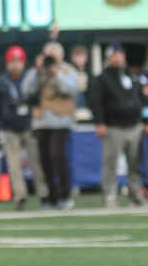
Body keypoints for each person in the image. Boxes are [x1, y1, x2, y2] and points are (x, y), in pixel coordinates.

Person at [89, 43, 148, 208]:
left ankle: (135, 193)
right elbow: (96, 102)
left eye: (120, 54)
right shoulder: (102, 78)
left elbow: (142, 101)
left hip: (134, 125)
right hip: (113, 126)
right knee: (110, 163)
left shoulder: (133, 76)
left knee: (135, 163)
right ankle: (110, 194)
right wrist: (100, 122)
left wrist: (145, 121)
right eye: (114, 55)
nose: (118, 57)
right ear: (108, 57)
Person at [22, 42, 80, 210]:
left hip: (61, 120)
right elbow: (26, 90)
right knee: (44, 160)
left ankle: (64, 194)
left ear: (60, 57)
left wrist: (55, 73)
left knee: (57, 156)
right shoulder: (38, 72)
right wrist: (37, 70)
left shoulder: (68, 70)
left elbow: (71, 90)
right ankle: (50, 196)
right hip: (41, 121)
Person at [0, 46, 47, 211]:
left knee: (37, 162)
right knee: (14, 165)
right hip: (10, 128)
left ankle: (43, 193)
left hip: (29, 126)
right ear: (7, 63)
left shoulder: (30, 79)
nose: (15, 65)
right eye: (12, 61)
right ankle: (20, 196)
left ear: (23, 63)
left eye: (18, 61)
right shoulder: (1, 82)